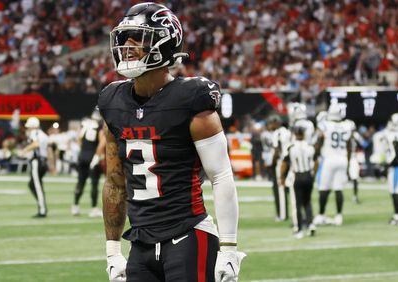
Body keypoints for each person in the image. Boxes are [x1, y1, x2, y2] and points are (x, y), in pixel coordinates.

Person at [98, 3, 245, 282]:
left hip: (187, 234)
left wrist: (228, 248)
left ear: (165, 43)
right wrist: (113, 251)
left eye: (138, 38)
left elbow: (221, 176)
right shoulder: (113, 102)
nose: (127, 47)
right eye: (123, 39)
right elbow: (115, 182)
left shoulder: (190, 99)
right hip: (139, 241)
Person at [313, 104, 355, 226]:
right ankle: (338, 216)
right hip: (342, 158)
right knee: (338, 189)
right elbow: (348, 146)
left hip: (329, 158)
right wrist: (347, 162)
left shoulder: (326, 124)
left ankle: (321, 214)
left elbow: (320, 140)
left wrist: (315, 155)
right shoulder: (347, 125)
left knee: (323, 188)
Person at [280, 126, 318, 239]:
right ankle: (311, 225)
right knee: (307, 202)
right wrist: (314, 175)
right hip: (308, 175)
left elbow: (284, 164)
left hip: (298, 176)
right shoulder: (310, 147)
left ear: (295, 134)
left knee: (297, 204)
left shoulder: (291, 147)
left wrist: (282, 177)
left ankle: (299, 229)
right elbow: (316, 162)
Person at [71, 109, 106, 217]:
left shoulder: (84, 122)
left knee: (80, 182)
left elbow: (78, 139)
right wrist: (96, 156)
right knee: (94, 183)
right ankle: (94, 209)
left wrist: (84, 150)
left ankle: (75, 206)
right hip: (92, 156)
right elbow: (102, 142)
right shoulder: (100, 124)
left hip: (83, 156)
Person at [20, 117, 49, 218]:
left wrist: (25, 150)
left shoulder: (35, 133)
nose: (28, 129)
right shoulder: (43, 134)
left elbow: (36, 144)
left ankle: (42, 209)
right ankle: (42, 206)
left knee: (36, 186)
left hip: (37, 162)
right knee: (32, 184)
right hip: (43, 162)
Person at [271, 115, 291, 221]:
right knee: (289, 188)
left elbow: (276, 150)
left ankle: (283, 215)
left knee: (281, 189)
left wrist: (272, 163)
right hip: (290, 162)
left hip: (281, 162)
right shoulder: (288, 132)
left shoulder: (277, 133)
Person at [385, 113, 398, 225]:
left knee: (395, 192)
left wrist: (389, 165)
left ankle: (397, 216)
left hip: (396, 167)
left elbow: (397, 152)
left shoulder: (394, 135)